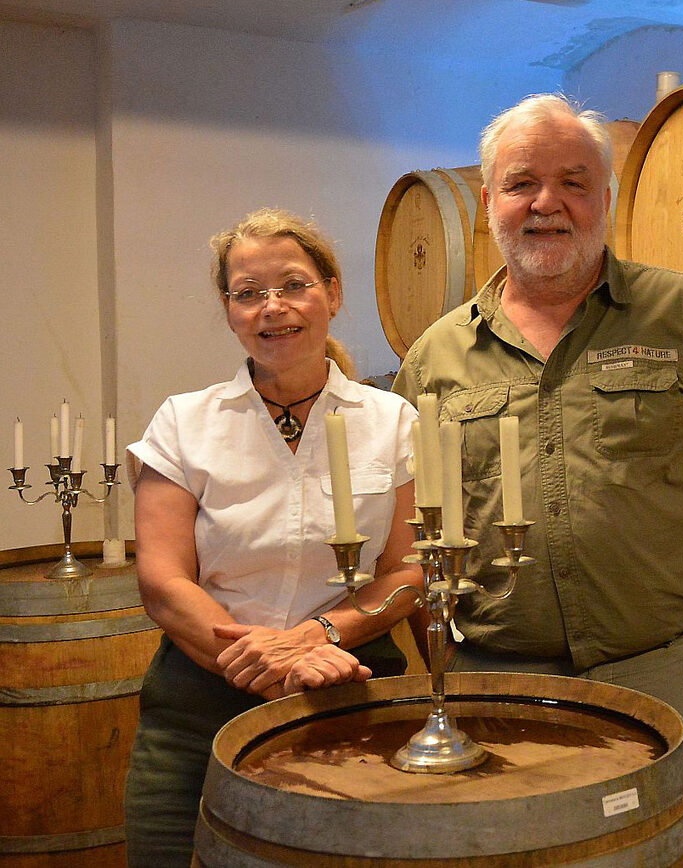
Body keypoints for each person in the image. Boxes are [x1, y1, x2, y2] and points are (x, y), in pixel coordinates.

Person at [393, 94, 683, 865]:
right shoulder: (434, 358)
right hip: (503, 686)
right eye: (522, 184)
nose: (547, 203)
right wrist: (443, 660)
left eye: (574, 182)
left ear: (605, 200)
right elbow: (416, 531)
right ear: (489, 204)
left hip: (674, 671)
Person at [124, 208, 422, 866]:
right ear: (229, 311)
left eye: (293, 284)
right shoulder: (185, 422)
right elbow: (162, 581)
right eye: (248, 293)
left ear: (333, 294)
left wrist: (318, 638)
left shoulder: (391, 421)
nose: (273, 308)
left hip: (351, 689)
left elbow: (407, 574)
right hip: (198, 707)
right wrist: (269, 663)